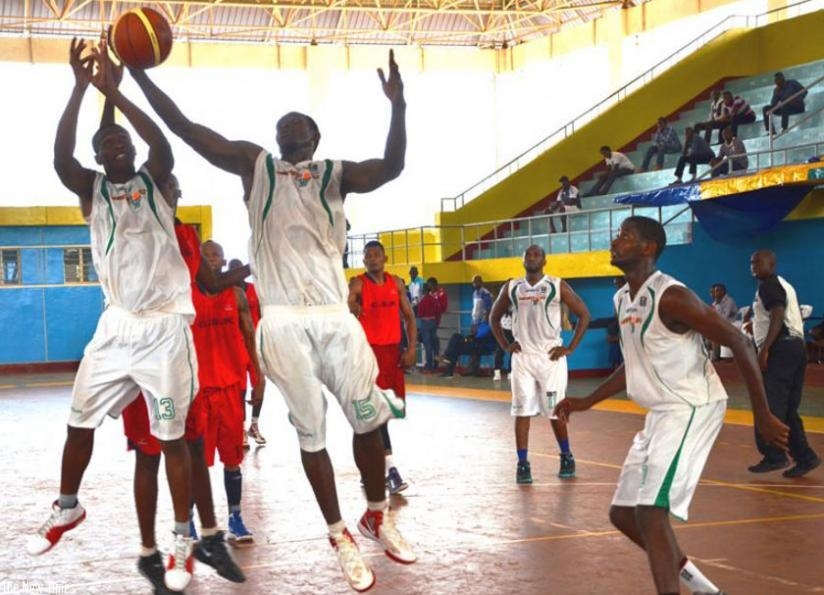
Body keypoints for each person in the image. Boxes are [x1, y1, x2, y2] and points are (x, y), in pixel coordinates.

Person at [130, 50, 415, 591]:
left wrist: (398, 108)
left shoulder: (337, 174)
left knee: (367, 420)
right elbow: (187, 129)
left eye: (298, 123)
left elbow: (393, 166)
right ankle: (338, 535)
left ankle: (375, 512)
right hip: (283, 321)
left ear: (314, 136)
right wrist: (142, 74)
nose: (287, 125)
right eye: (281, 124)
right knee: (313, 435)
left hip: (334, 316)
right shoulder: (254, 164)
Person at [27, 37, 197, 592]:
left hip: (166, 328)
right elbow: (59, 159)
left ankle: (180, 538)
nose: (117, 144)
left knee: (170, 438)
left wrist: (115, 94)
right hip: (117, 326)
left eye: (122, 139)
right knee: (78, 421)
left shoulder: (156, 181)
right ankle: (68, 506)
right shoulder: (92, 188)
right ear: (99, 157)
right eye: (107, 143)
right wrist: (79, 89)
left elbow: (159, 139)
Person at [553, 216, 788, 595]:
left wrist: (761, 414)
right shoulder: (622, 298)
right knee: (624, 514)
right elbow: (634, 364)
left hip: (692, 406)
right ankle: (706, 590)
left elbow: (740, 342)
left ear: (648, 248)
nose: (615, 241)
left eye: (625, 236)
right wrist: (587, 401)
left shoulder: (672, 296)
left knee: (651, 511)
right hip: (662, 412)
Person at [121, 175, 249, 593]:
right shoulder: (129, 226)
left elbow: (210, 283)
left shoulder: (185, 236)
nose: (170, 195)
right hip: (139, 353)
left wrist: (249, 267)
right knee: (148, 455)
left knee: (191, 448)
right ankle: (147, 553)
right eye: (161, 189)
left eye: (174, 189)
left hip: (179, 359)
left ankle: (201, 538)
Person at [490, 245, 592, 483]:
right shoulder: (513, 287)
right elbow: (494, 317)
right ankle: (522, 463)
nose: (532, 257)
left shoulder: (556, 285)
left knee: (555, 410)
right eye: (528, 254)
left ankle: (566, 455)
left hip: (550, 359)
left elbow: (584, 314)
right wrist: (506, 345)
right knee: (521, 410)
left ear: (544, 260)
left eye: (536, 254)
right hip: (523, 358)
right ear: (522, 260)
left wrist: (570, 347)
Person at [197, 240, 264, 544]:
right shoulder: (187, 297)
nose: (212, 259)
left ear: (224, 262)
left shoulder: (236, 296)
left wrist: (257, 376)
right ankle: (187, 522)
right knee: (194, 460)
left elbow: (250, 337)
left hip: (230, 389)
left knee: (232, 458)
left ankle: (235, 517)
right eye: (206, 255)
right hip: (198, 392)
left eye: (216, 255)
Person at [348, 240, 417, 495]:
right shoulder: (358, 284)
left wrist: (411, 349)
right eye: (369, 256)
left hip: (392, 354)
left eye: (377, 254)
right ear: (364, 261)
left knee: (380, 416)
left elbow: (409, 317)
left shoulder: (396, 283)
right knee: (375, 415)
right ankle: (390, 470)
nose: (373, 259)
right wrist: (351, 306)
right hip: (369, 356)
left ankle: (371, 468)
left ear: (385, 258)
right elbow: (348, 305)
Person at [748, 250, 821, 477]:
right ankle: (805, 457)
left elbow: (778, 315)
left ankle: (774, 455)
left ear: (771, 263)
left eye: (758, 262)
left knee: (770, 404)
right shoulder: (784, 284)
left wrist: (765, 349)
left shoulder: (768, 285)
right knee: (788, 408)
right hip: (796, 348)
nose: (753, 266)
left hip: (781, 348)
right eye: (751, 263)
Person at [228, 258, 267, 448]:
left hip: (255, 343)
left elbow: (262, 315)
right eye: (231, 270)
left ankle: (254, 424)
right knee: (240, 388)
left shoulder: (254, 290)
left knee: (260, 383)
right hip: (236, 345)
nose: (235, 273)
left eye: (238, 269)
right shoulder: (227, 292)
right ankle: (241, 429)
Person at [418, 281, 440, 371]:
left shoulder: (422, 301)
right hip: (433, 322)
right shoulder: (433, 299)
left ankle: (429, 366)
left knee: (427, 345)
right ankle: (436, 365)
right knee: (434, 344)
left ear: (424, 290)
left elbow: (420, 314)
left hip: (425, 323)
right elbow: (437, 310)